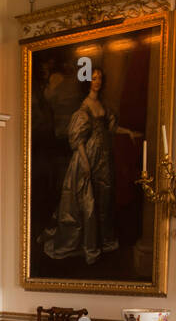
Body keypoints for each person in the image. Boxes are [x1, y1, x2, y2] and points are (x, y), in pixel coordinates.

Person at [42, 68, 131, 264]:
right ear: (88, 82)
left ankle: (101, 241)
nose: (97, 81)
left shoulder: (102, 105)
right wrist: (85, 162)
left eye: (100, 78)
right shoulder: (84, 108)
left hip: (104, 156)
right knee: (87, 200)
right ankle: (87, 245)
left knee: (103, 198)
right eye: (93, 78)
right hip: (87, 155)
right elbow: (78, 141)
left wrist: (129, 132)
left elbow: (112, 128)